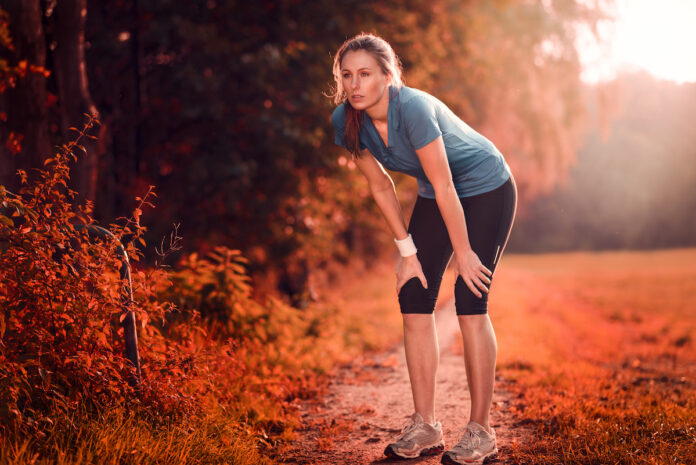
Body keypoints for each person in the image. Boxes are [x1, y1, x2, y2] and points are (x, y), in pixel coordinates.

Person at [329, 32, 517, 465]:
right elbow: (381, 186)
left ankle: (481, 431)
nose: (355, 85)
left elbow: (450, 183)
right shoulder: (345, 120)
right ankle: (426, 425)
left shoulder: (411, 107)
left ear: (387, 75)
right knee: (414, 295)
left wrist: (465, 252)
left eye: (365, 74)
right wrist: (407, 251)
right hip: (438, 194)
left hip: (486, 187)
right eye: (347, 76)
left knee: (472, 299)